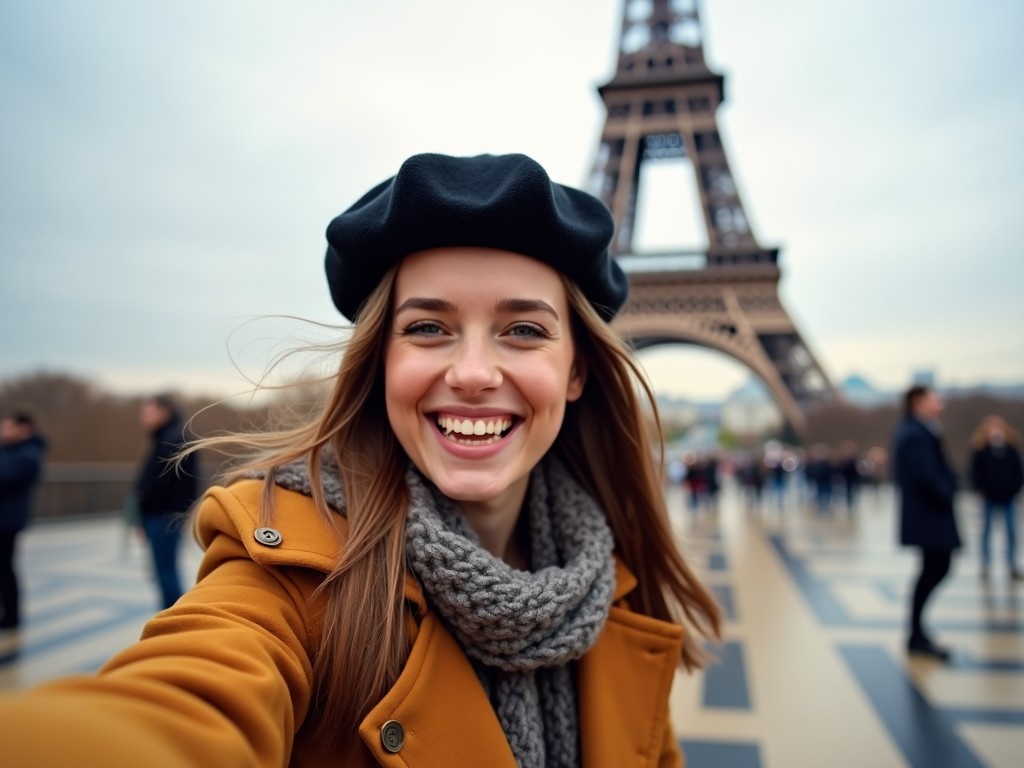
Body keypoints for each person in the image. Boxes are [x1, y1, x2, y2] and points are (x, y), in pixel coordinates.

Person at [0, 152, 722, 766]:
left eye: (524, 329)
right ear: (381, 361)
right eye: (429, 327)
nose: (473, 372)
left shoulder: (614, 582)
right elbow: (182, 700)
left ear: (576, 371)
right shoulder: (289, 573)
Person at [892, 384, 960, 661]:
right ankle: (916, 633)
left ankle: (916, 632)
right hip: (930, 513)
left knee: (933, 568)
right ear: (918, 402)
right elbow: (925, 474)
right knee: (936, 567)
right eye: (935, 398)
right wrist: (947, 492)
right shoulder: (917, 433)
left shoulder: (916, 430)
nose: (940, 402)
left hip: (926, 513)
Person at [136, 393, 199, 608]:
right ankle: (173, 622)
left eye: (149, 412)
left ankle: (174, 624)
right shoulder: (171, 436)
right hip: (167, 515)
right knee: (166, 571)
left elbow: (159, 484)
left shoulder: (171, 440)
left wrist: (144, 512)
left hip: (163, 516)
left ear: (164, 412)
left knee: (166, 572)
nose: (143, 417)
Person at [0, 410, 47, 633]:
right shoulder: (13, 451)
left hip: (7, 521)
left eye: (8, 427)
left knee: (5, 568)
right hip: (7, 518)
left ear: (23, 429)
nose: (4, 431)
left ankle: (11, 616)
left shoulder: (28, 454)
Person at [969, 415, 1024, 580]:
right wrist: (982, 490)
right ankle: (985, 565)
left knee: (1012, 533)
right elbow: (975, 473)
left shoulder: (1011, 449)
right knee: (986, 533)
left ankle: (1012, 565)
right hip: (989, 498)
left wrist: (1014, 490)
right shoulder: (981, 451)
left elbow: (1019, 472)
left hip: (1008, 498)